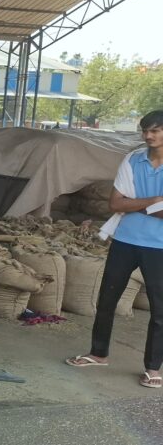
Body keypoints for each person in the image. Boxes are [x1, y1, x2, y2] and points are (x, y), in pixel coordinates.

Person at [66, 110, 163, 388]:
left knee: (160, 309)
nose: (148, 136)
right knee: (107, 300)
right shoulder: (132, 160)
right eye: (145, 130)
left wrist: (134, 203)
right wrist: (154, 201)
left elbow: (127, 203)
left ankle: (153, 368)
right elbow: (115, 204)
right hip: (125, 240)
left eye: (155, 130)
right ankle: (98, 353)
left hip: (159, 246)